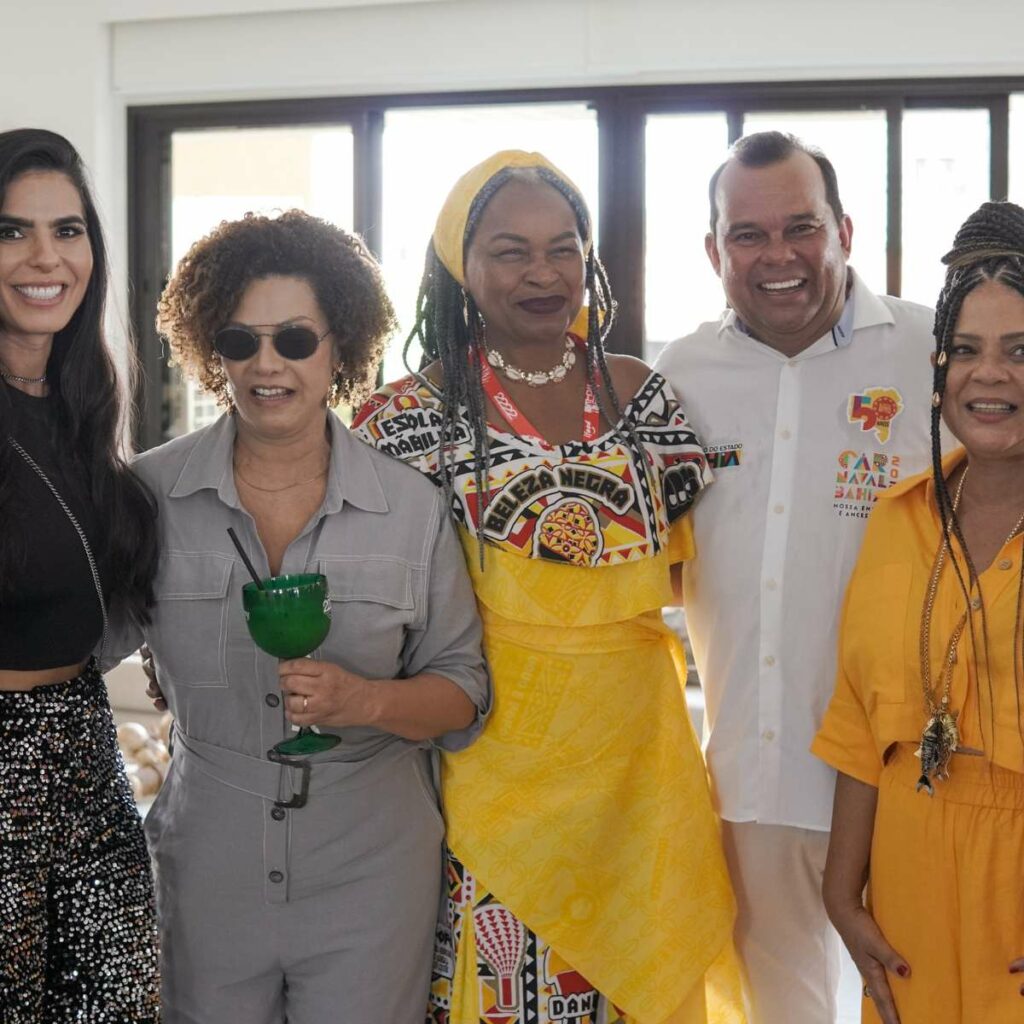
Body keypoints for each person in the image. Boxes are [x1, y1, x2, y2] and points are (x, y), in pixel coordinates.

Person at [353, 150, 742, 1024]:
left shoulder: (644, 398)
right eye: (510, 251)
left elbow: (693, 572)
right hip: (492, 768)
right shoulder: (403, 422)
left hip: (641, 769)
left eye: (563, 248)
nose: (543, 272)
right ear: (460, 264)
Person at [109, 209, 491, 1024]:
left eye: (294, 339)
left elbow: (464, 693)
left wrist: (366, 701)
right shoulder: (146, 495)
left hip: (373, 870)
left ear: (340, 346)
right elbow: (75, 644)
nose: (266, 364)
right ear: (211, 351)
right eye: (239, 341)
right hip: (206, 867)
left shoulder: (411, 508)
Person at [654, 131, 937, 1023]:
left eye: (800, 227)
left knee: (924, 1002)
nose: (777, 255)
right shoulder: (679, 377)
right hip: (756, 782)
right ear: (714, 251)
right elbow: (656, 562)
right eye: (747, 234)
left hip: (914, 778)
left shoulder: (932, 352)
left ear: (843, 231)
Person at [814, 200, 1024, 1024]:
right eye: (966, 350)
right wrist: (841, 894)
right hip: (906, 872)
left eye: (1019, 351)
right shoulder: (900, 517)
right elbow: (860, 718)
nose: (989, 374)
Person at [0, 129, 160, 1020]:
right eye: (11, 231)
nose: (44, 257)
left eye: (67, 230)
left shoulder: (80, 407)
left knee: (120, 1003)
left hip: (86, 744)